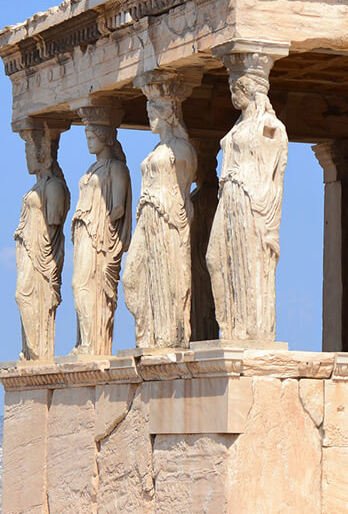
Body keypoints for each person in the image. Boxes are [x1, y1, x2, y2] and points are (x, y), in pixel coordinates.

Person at [207, 70, 287, 342]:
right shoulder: (239, 125)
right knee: (215, 258)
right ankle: (231, 327)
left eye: (237, 85)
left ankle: (253, 331)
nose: (232, 89)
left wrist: (268, 218)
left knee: (250, 262)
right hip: (229, 195)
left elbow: (277, 173)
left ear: (252, 90)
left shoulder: (270, 126)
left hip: (249, 197)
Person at [122, 97, 196, 348]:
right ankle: (147, 335)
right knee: (131, 277)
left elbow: (185, 189)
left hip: (167, 216)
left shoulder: (182, 148)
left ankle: (168, 337)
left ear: (166, 113)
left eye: (153, 111)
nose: (150, 116)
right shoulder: (155, 149)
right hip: (146, 216)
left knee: (169, 276)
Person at [71, 124, 131, 356]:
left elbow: (118, 207)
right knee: (80, 284)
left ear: (106, 138)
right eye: (87, 136)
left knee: (85, 284)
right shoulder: (91, 168)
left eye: (92, 136)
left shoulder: (116, 169)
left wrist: (100, 222)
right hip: (84, 232)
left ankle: (92, 345)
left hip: (100, 234)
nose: (88, 141)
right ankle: (84, 342)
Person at [14, 127, 70, 361]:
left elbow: (55, 220)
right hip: (29, 250)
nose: (27, 158)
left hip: (41, 254)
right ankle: (32, 352)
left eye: (30, 151)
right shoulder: (41, 185)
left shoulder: (53, 186)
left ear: (41, 154)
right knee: (22, 296)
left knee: (27, 296)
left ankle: (40, 353)